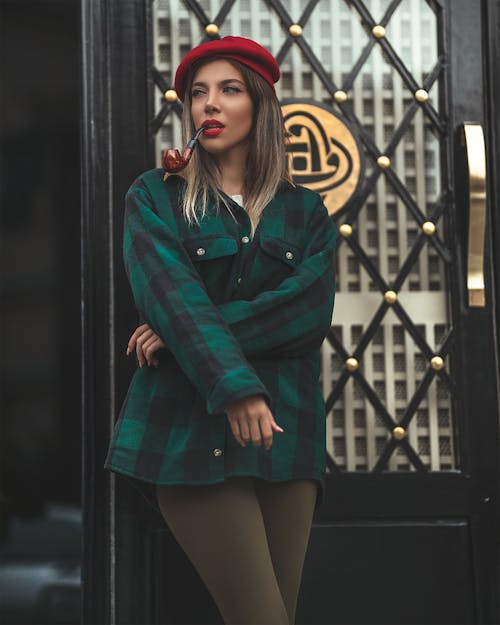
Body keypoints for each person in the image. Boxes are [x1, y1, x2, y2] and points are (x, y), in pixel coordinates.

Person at [104, 35, 337, 625]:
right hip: (184, 431)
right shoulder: (155, 196)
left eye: (228, 90)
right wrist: (235, 384)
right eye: (197, 93)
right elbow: (169, 295)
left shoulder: (304, 211)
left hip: (289, 431)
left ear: (259, 105)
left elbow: (306, 312)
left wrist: (179, 332)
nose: (209, 104)